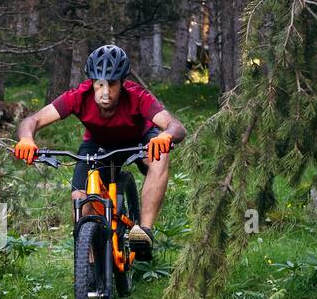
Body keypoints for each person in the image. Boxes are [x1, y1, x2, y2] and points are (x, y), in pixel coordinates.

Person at [12, 44, 187, 258]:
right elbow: (34, 119)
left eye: (112, 84)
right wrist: (27, 138)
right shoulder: (79, 96)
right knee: (80, 199)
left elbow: (176, 126)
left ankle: (144, 232)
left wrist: (165, 135)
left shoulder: (137, 96)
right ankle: (91, 270)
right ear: (92, 82)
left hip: (139, 141)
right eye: (99, 83)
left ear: (123, 83)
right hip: (98, 145)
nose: (105, 91)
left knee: (160, 156)